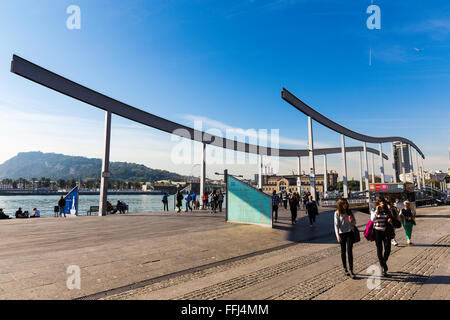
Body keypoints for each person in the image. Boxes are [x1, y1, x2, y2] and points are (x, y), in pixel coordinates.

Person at [371, 199, 393, 276]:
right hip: (377, 231)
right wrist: (376, 211)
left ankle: (383, 262)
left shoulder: (387, 210)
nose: (382, 204)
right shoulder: (374, 209)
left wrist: (390, 220)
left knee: (388, 248)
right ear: (378, 203)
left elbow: (392, 219)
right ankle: (383, 266)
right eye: (381, 202)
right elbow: (372, 219)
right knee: (379, 249)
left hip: (386, 231)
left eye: (383, 202)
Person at [335, 198, 356, 279]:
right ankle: (345, 268)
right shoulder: (337, 213)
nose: (345, 205)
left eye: (346, 203)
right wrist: (337, 236)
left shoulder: (349, 212)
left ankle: (351, 270)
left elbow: (354, 223)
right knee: (343, 251)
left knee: (350, 251)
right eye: (344, 204)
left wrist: (351, 221)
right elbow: (336, 225)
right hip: (342, 234)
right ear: (340, 205)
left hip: (349, 233)